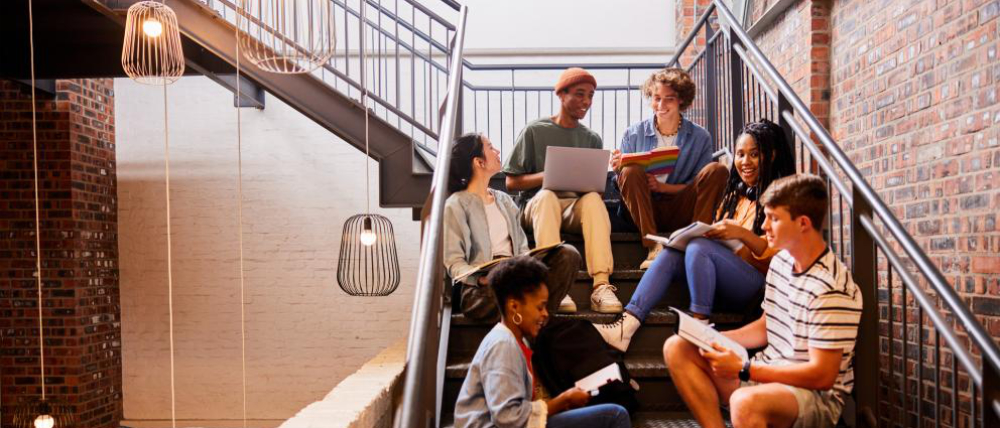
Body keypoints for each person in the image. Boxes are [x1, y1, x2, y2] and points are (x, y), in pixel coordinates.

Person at [662, 175, 863, 428]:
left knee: (744, 402)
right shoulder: (781, 261)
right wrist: (709, 339)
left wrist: (744, 369)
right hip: (766, 371)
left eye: (774, 218)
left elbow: (822, 376)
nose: (764, 225)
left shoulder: (830, 287)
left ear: (803, 223)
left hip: (813, 396)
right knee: (678, 347)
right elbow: (766, 327)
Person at [594, 119, 795, 352]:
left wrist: (741, 235)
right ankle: (626, 326)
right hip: (718, 278)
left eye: (754, 154)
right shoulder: (734, 197)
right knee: (673, 251)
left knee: (699, 246)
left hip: (756, 287)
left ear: (770, 156)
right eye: (740, 154)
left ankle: (699, 325)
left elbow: (782, 258)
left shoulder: (784, 198)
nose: (744, 162)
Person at [453, 256, 632, 428]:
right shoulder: (502, 345)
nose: (546, 314)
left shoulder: (516, 341)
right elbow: (508, 418)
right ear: (514, 306)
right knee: (615, 415)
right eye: (540, 307)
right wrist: (564, 400)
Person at [503, 67, 622, 314]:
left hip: (573, 208)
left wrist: (594, 186)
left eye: (590, 96)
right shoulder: (534, 130)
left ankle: (601, 285)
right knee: (546, 196)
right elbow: (511, 182)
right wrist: (547, 176)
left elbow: (596, 194)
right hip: (537, 206)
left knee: (591, 199)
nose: (586, 102)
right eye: (580, 94)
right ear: (561, 94)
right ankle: (553, 283)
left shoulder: (592, 138)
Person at [445, 133, 582, 317]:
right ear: (479, 162)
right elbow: (454, 262)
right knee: (506, 284)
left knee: (568, 255)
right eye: (491, 147)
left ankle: (535, 317)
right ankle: (536, 320)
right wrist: (481, 279)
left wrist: (526, 265)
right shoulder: (456, 204)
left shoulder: (504, 201)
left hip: (515, 274)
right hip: (482, 289)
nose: (497, 151)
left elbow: (522, 248)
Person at [611, 68, 728, 269]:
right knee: (629, 171)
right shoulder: (633, 133)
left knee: (717, 170)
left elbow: (699, 186)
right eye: (656, 98)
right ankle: (653, 245)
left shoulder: (700, 137)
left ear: (681, 100)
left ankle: (696, 239)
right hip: (642, 212)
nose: (661, 105)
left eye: (669, 99)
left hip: (680, 208)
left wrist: (663, 188)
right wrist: (618, 168)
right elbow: (624, 184)